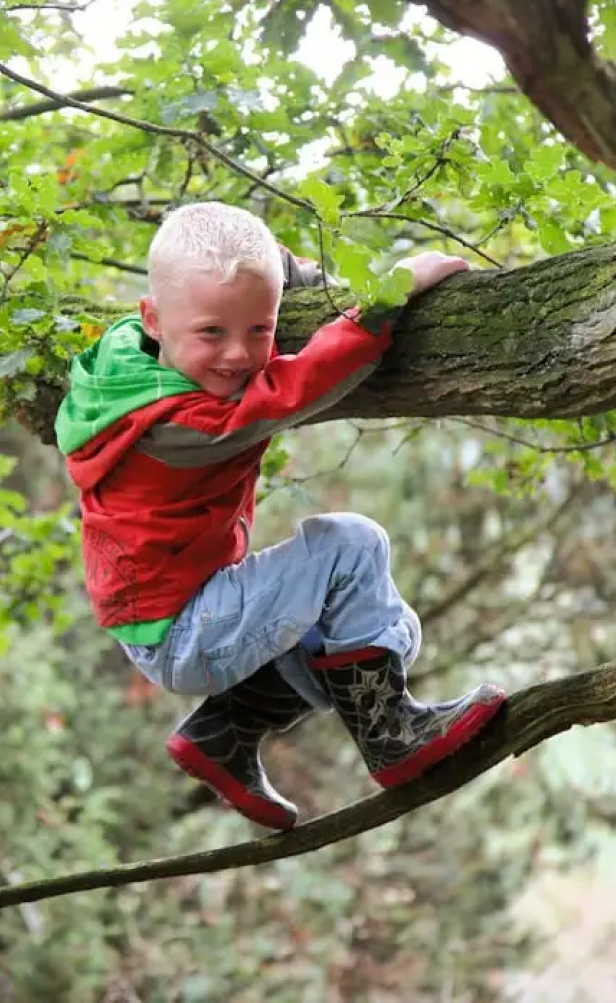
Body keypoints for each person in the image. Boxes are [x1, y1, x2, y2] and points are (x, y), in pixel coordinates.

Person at [54, 202, 505, 830]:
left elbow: (242, 281)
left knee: (374, 628)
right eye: (212, 333)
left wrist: (289, 271)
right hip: (189, 631)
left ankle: (225, 731)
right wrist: (386, 296)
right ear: (153, 319)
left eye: (260, 330)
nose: (238, 356)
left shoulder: (120, 362)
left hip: (166, 623)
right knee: (350, 546)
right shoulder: (183, 424)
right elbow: (298, 387)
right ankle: (391, 734)